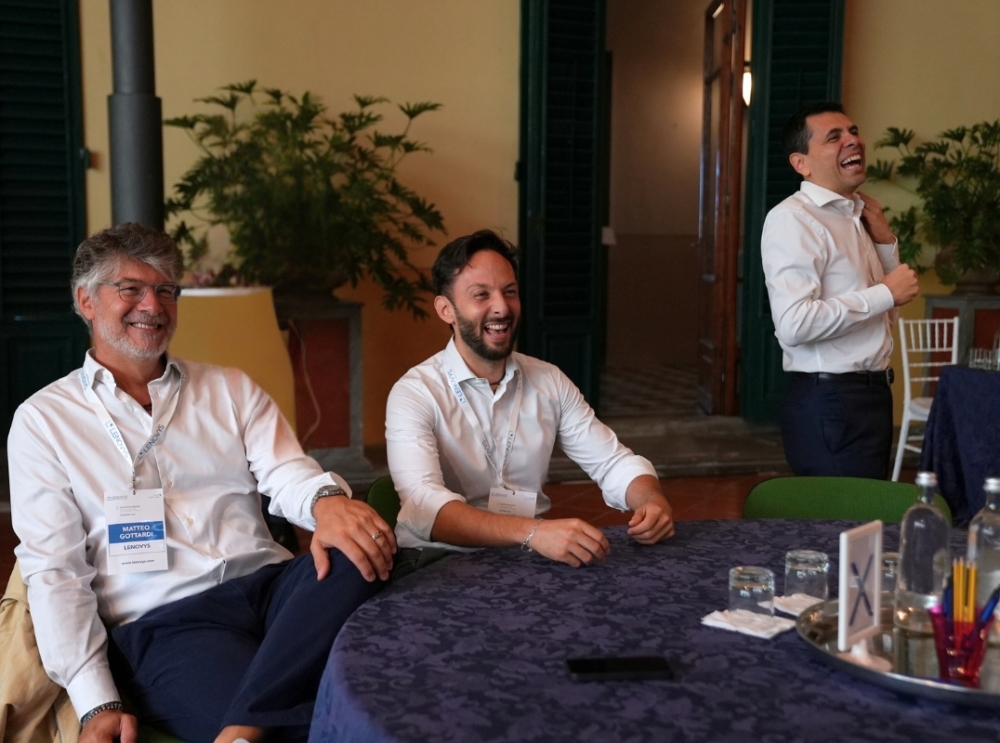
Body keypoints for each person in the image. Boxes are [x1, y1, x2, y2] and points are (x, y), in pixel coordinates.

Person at [8, 223, 397, 743]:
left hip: (272, 589)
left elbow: (287, 471)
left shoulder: (230, 388)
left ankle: (244, 726)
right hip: (168, 624)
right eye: (131, 289)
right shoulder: (43, 422)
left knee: (359, 547)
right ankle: (271, 709)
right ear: (86, 301)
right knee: (351, 693)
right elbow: (57, 573)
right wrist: (97, 701)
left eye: (167, 290)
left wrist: (327, 501)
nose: (154, 305)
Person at [385, 229, 674, 574]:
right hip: (438, 563)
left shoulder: (548, 380)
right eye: (481, 295)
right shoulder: (415, 393)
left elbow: (612, 463)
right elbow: (424, 506)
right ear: (446, 309)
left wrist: (652, 500)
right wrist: (533, 531)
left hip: (526, 557)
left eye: (510, 292)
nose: (502, 307)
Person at [761, 101, 920, 478]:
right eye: (834, 137)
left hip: (872, 396)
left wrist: (885, 243)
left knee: (866, 513)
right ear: (801, 163)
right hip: (831, 403)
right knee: (840, 515)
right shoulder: (792, 219)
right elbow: (794, 324)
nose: (853, 141)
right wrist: (885, 292)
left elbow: (884, 317)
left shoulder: (858, 215)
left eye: (853, 132)